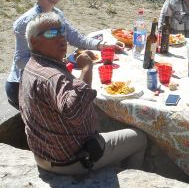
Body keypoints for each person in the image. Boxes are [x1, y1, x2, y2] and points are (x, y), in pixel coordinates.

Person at [19, 12, 147, 174]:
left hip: (44, 153)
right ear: (33, 41)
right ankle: (131, 183)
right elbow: (76, 111)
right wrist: (87, 68)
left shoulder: (32, 65)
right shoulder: (53, 76)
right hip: (71, 159)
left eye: (61, 31)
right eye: (51, 34)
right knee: (139, 138)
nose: (61, 38)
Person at [6, 0, 123, 109]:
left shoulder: (57, 14)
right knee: (75, 104)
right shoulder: (26, 22)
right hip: (22, 85)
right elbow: (20, 60)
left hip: (45, 80)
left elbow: (75, 37)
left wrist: (103, 46)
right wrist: (54, 67)